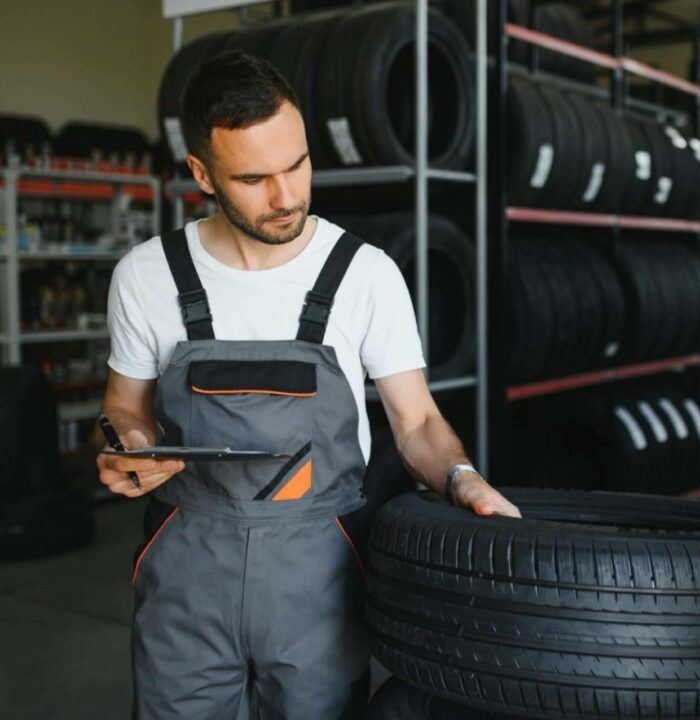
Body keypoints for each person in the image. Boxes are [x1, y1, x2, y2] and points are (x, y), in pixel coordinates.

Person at [97, 49, 520, 719]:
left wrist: (463, 477)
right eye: (255, 178)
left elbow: (417, 425)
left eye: (296, 164)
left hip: (318, 577)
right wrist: (128, 443)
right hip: (187, 571)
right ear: (202, 173)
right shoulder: (148, 275)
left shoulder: (364, 274)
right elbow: (124, 406)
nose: (286, 196)